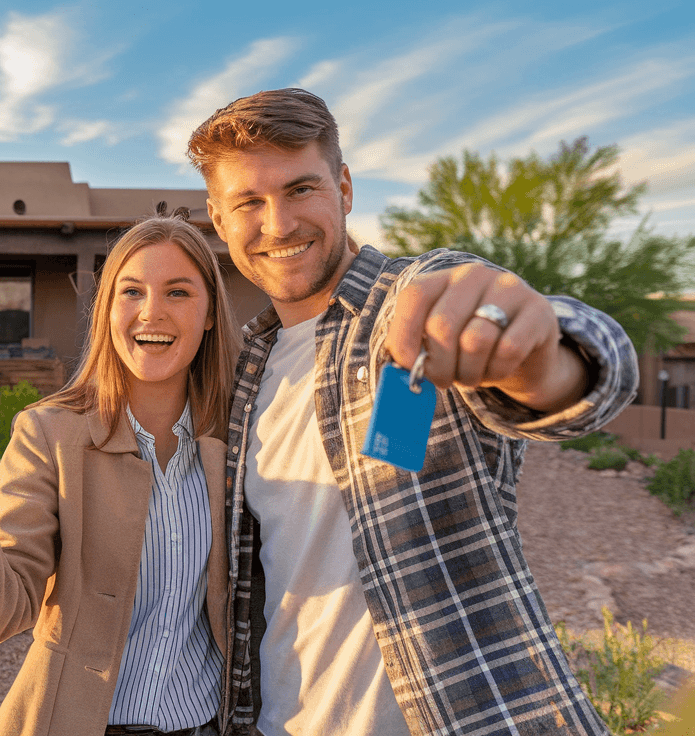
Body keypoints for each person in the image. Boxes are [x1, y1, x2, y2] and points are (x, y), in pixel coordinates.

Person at [186, 88, 638, 735]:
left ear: (343, 187)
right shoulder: (248, 368)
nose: (279, 223)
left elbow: (584, 374)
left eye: (301, 189)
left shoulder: (420, 299)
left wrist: (538, 357)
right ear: (219, 219)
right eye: (249, 202)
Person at [0, 216, 242, 736]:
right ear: (107, 310)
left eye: (178, 292)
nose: (152, 312)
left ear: (209, 312)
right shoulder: (49, 435)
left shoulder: (237, 436)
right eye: (132, 291)